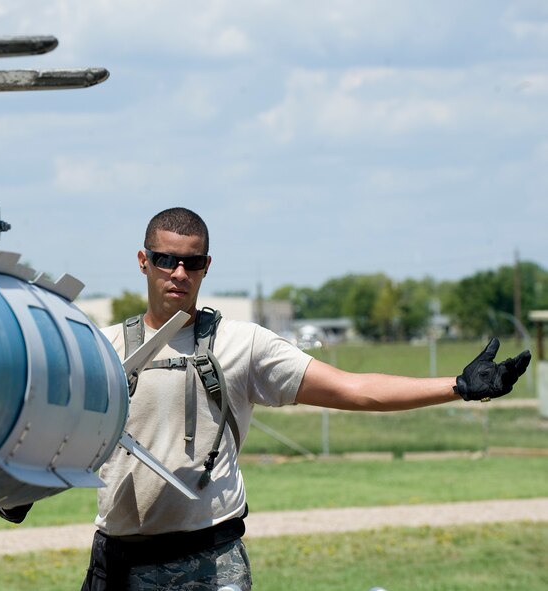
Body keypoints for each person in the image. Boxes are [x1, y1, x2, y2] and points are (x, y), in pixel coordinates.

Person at [75, 206, 531, 591]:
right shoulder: (99, 347)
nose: (178, 273)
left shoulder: (243, 344)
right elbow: (55, 437)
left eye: (191, 263)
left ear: (207, 266)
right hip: (116, 564)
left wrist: (456, 386)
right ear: (142, 260)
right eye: (164, 260)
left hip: (209, 561)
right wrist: (20, 494)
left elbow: (354, 389)